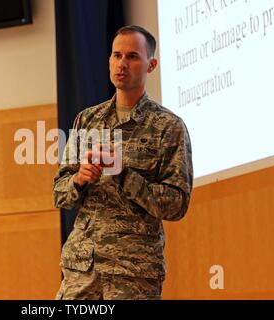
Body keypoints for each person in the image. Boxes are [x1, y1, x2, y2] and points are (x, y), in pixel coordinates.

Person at [53, 25, 193, 300]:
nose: (122, 64)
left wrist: (124, 174)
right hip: (82, 268)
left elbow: (177, 204)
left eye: (132, 56)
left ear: (151, 65)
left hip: (133, 274)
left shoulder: (168, 126)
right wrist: (79, 179)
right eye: (117, 55)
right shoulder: (87, 120)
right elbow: (60, 194)